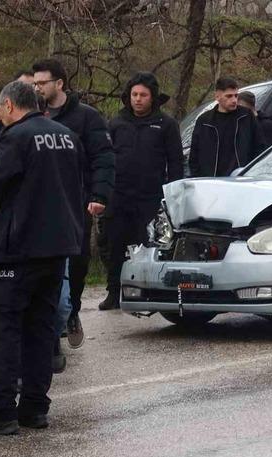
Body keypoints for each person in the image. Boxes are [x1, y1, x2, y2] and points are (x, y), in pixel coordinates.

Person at [0, 81, 84, 435]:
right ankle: (34, 408)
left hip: (19, 246)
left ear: (9, 106)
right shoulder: (66, 136)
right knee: (40, 329)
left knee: (4, 327)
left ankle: (0, 410)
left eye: (1, 110)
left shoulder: (14, 138)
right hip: (58, 245)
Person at [33, 58, 115, 351]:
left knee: (77, 262)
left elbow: (103, 158)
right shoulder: (32, 115)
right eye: (34, 83)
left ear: (59, 84)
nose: (38, 88)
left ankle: (72, 310)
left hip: (76, 202)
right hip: (41, 205)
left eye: (42, 83)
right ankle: (51, 322)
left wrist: (99, 195)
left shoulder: (86, 118)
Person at [99, 72, 184, 311]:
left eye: (143, 95)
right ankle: (113, 292)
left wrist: (173, 194)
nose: (138, 99)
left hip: (151, 197)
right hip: (119, 195)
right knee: (114, 245)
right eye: (134, 94)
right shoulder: (116, 123)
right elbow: (105, 158)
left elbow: (175, 162)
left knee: (150, 245)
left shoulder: (166, 125)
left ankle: (151, 292)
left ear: (152, 97)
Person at [189, 77, 266, 177]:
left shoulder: (246, 116)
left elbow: (260, 146)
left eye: (236, 95)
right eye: (229, 96)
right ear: (217, 96)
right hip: (211, 181)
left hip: (241, 179)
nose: (234, 100)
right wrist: (199, 178)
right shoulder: (204, 121)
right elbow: (194, 155)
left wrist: (251, 173)